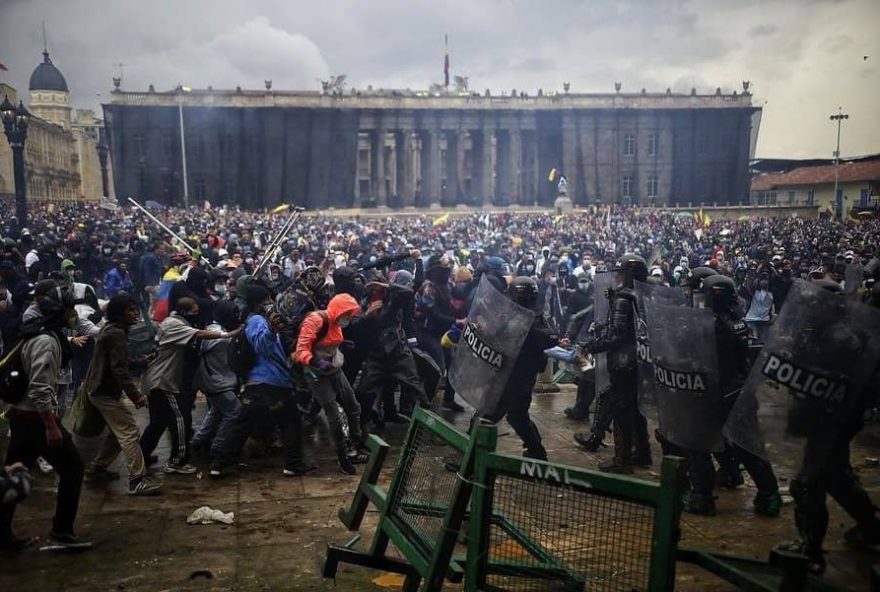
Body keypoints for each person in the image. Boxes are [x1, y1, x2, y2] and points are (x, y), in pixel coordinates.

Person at [776, 279, 880, 574]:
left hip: (830, 421)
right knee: (836, 477)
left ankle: (809, 551)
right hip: (830, 421)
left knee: (808, 483)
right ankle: (872, 526)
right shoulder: (828, 333)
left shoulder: (841, 339)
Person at [0, 280, 92, 552]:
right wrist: (51, 427)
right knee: (73, 469)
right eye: (69, 310)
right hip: (35, 420)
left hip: (23, 417)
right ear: (59, 312)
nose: (73, 315)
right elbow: (40, 389)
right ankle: (62, 531)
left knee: (12, 476)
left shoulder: (38, 334)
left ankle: (2, 535)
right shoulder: (46, 342)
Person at [686, 275, 781, 517]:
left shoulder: (713, 325)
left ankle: (702, 498)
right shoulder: (737, 321)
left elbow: (696, 358)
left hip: (717, 393)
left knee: (698, 444)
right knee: (748, 447)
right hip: (740, 391)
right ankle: (770, 495)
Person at [211, 285, 314, 478]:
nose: (270, 303)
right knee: (291, 422)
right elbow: (261, 344)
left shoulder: (257, 320)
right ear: (259, 303)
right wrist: (271, 330)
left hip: (259, 384)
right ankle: (293, 464)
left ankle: (219, 463)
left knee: (243, 425)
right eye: (267, 300)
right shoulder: (257, 320)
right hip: (271, 383)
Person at [139, 297, 236, 475]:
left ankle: (142, 454)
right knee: (179, 420)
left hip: (156, 379)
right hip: (162, 382)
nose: (196, 314)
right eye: (194, 311)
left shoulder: (171, 321)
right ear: (184, 312)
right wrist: (227, 335)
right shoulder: (176, 325)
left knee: (158, 423)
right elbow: (198, 334)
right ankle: (177, 461)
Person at [83, 294, 163, 495]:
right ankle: (137, 480)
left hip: (99, 388)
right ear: (119, 313)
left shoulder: (113, 330)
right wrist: (136, 396)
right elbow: (118, 370)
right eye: (130, 310)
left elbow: (117, 362)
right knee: (129, 431)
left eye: (135, 309)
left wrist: (141, 362)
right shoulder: (116, 333)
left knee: (116, 432)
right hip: (104, 391)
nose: (135, 313)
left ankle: (96, 469)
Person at [580, 254, 652, 474]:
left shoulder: (624, 299)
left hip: (623, 362)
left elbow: (617, 336)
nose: (617, 276)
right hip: (640, 359)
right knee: (636, 409)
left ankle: (622, 460)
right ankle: (642, 452)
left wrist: (591, 346)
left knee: (622, 410)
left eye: (621, 272)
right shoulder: (643, 296)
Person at [482, 276, 557, 459]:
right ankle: (537, 453)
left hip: (512, 378)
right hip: (518, 377)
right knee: (517, 416)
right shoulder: (529, 316)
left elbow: (549, 338)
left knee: (485, 417)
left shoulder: (528, 319)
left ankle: (466, 459)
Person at [293, 292, 364, 474]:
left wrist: (343, 345)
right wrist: (317, 362)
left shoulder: (337, 322)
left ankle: (356, 443)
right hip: (317, 373)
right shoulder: (316, 320)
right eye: (347, 314)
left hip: (334, 368)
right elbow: (301, 349)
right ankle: (343, 456)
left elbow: (331, 340)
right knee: (333, 414)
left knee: (353, 406)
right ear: (338, 310)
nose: (349, 318)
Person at [191, 301, 242, 464]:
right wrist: (235, 335)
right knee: (234, 411)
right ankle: (218, 448)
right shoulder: (215, 332)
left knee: (217, 411)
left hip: (219, 380)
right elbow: (211, 343)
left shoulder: (220, 330)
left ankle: (199, 441)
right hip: (215, 381)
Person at [743, 275, 774, 342]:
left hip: (764, 320)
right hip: (751, 319)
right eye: (762, 280)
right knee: (754, 340)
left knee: (763, 342)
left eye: (766, 280)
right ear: (759, 281)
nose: (764, 282)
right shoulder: (755, 291)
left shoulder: (772, 293)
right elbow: (748, 287)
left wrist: (774, 316)